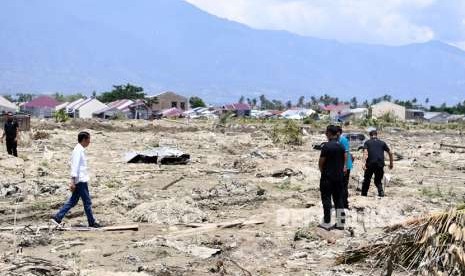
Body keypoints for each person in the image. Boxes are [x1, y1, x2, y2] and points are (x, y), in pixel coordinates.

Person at [51, 131, 101, 228]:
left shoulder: (80, 150)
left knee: (73, 201)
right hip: (80, 181)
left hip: (80, 180)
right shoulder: (78, 151)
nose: (89, 142)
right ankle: (92, 222)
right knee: (87, 202)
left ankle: (57, 217)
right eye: (88, 139)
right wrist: (72, 181)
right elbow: (75, 166)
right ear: (84, 139)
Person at [318, 125, 347, 230]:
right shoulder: (341, 147)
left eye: (326, 132)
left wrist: (324, 172)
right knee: (339, 200)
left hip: (327, 178)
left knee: (326, 200)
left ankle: (326, 222)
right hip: (338, 178)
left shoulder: (326, 146)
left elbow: (321, 163)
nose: (326, 134)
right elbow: (344, 159)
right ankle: (341, 223)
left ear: (330, 133)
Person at [361, 129, 393, 197]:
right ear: (376, 135)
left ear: (370, 136)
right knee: (378, 180)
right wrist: (391, 163)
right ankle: (381, 193)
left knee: (367, 179)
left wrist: (363, 163)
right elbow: (390, 153)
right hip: (380, 164)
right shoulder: (382, 143)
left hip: (370, 164)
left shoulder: (367, 142)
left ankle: (364, 194)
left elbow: (365, 152)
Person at [336, 126, 352, 209]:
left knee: (344, 185)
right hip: (340, 166)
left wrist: (345, 166)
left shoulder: (343, 140)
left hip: (345, 166)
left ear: (339, 132)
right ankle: (340, 203)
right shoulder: (337, 140)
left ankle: (345, 204)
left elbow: (345, 153)